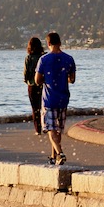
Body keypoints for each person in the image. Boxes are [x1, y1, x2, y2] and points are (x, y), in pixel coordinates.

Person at [35, 31, 76, 165]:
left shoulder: (44, 59)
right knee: (57, 130)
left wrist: (48, 78)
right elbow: (72, 79)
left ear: (48, 43)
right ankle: (53, 157)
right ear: (60, 42)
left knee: (51, 129)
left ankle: (60, 153)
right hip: (63, 98)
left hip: (49, 99)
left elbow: (37, 80)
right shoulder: (69, 59)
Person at [23, 36, 45, 134]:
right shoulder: (43, 57)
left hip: (32, 85)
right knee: (44, 106)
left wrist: (26, 80)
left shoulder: (28, 58)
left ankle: (38, 129)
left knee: (35, 108)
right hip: (43, 84)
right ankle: (46, 126)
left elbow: (26, 73)